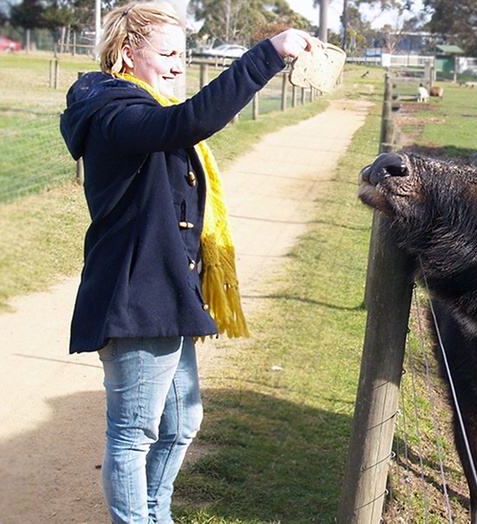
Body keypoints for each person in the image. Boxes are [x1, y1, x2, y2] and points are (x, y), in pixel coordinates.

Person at [59, 2, 312, 522]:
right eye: (167, 53)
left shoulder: (138, 106)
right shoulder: (114, 112)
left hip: (167, 293)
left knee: (180, 423)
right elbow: (188, 122)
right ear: (128, 53)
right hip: (136, 294)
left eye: (184, 53)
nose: (178, 65)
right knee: (133, 434)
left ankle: (156, 514)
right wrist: (267, 55)